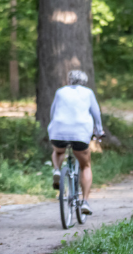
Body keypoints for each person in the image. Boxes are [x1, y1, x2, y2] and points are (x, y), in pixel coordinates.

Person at [47, 70, 103, 215]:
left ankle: (57, 170)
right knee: (85, 166)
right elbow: (96, 113)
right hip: (80, 132)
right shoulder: (88, 93)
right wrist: (99, 131)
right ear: (84, 81)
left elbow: (53, 112)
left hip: (59, 130)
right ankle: (85, 201)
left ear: (69, 80)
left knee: (58, 151)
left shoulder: (60, 91)